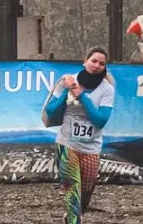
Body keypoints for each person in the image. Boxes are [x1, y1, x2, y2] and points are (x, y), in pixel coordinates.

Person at [44, 46, 115, 224]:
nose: (96, 65)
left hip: (91, 148)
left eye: (101, 63)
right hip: (67, 144)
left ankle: (72, 217)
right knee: (72, 192)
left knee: (84, 196)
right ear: (85, 61)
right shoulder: (67, 81)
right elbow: (50, 111)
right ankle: (74, 220)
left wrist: (82, 96)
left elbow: (100, 120)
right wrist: (66, 92)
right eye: (93, 61)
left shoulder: (107, 89)